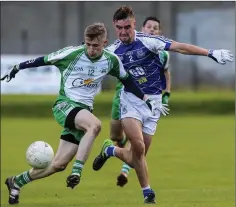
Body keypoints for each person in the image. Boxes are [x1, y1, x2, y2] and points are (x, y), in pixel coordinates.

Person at [1, 22, 162, 205]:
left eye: (95, 46)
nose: (91, 49)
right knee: (94, 125)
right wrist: (17, 67)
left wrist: (145, 99)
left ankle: (16, 182)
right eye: (88, 44)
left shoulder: (111, 60)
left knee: (58, 164)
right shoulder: (71, 53)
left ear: (104, 43)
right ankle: (77, 171)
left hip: (83, 112)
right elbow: (43, 60)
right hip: (65, 105)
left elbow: (128, 81)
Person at [92, 6, 233, 204]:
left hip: (154, 103)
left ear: (134, 25)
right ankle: (148, 193)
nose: (123, 32)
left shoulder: (149, 41)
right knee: (138, 146)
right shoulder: (113, 51)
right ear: (115, 27)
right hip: (131, 100)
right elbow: (90, 62)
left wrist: (211, 53)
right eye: (119, 28)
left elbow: (181, 47)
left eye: (127, 27)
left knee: (136, 158)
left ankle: (110, 150)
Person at [116, 16, 172, 188]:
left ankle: (122, 165)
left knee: (141, 150)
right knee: (120, 137)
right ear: (141, 28)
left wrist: (166, 94)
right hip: (130, 97)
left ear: (160, 32)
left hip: (153, 101)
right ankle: (121, 153)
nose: (152, 30)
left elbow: (166, 73)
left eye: (156, 28)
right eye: (149, 27)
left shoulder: (163, 54)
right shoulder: (131, 46)